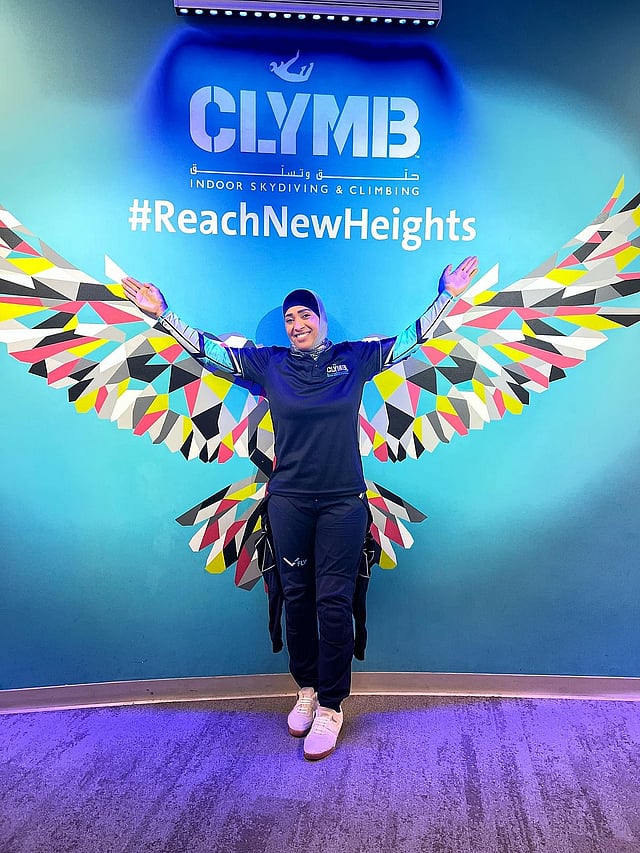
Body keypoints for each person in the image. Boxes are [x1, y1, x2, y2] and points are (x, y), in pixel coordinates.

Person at [122, 256, 477, 761]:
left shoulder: (354, 359)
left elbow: (411, 340)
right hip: (288, 500)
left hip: (343, 501)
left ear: (322, 320)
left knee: (334, 602)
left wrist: (446, 296)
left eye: (305, 315)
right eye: (290, 318)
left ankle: (331, 705)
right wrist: (162, 315)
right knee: (296, 598)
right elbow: (207, 352)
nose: (297, 324)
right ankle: (306, 689)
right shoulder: (269, 364)